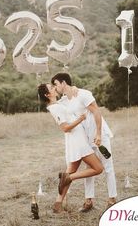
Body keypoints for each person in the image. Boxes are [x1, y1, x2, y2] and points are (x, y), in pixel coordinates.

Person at [51, 72, 117, 211]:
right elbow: (54, 104)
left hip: (100, 135)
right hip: (85, 138)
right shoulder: (64, 101)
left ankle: (112, 199)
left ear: (63, 83)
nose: (55, 88)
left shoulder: (83, 94)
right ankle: (88, 201)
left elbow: (97, 112)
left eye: (56, 84)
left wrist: (98, 133)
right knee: (89, 169)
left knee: (108, 167)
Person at [38, 83, 103, 213]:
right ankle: (69, 178)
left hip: (78, 139)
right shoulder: (54, 108)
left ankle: (57, 205)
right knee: (98, 168)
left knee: (70, 172)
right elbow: (65, 128)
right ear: (47, 95)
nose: (54, 88)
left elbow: (69, 94)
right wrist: (80, 119)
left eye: (53, 85)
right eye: (51, 88)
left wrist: (74, 88)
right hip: (77, 142)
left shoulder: (58, 104)